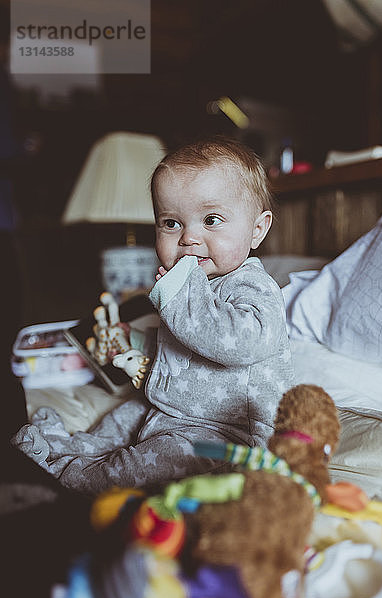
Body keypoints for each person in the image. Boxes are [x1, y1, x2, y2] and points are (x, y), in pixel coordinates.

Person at [12, 137, 294, 495]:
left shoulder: (254, 287)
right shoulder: (188, 285)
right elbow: (178, 350)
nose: (189, 238)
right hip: (165, 406)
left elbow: (240, 343)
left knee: (140, 464)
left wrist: (178, 299)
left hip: (223, 433)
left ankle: (73, 479)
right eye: (171, 223)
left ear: (257, 229)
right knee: (116, 424)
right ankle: (64, 448)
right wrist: (132, 341)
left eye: (211, 220)